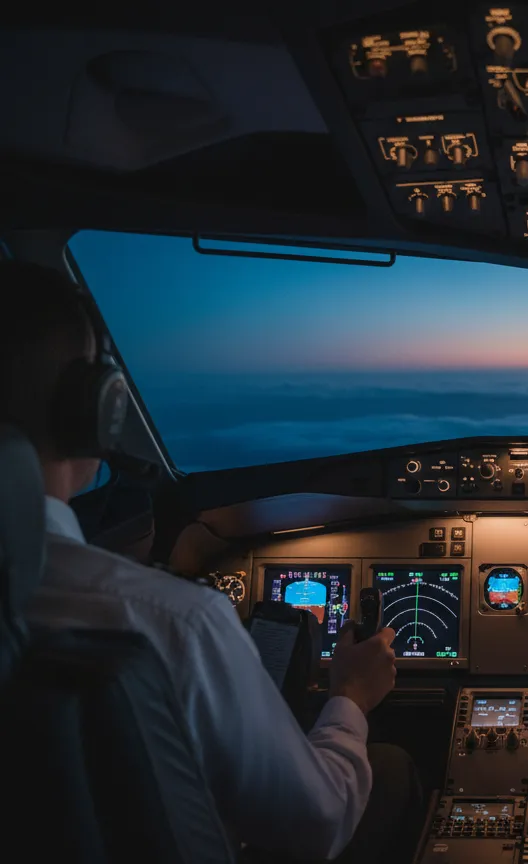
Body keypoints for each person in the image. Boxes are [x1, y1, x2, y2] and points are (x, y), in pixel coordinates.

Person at [0, 260, 419, 862]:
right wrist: (349, 695)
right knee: (392, 769)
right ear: (94, 411)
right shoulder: (174, 621)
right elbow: (320, 822)